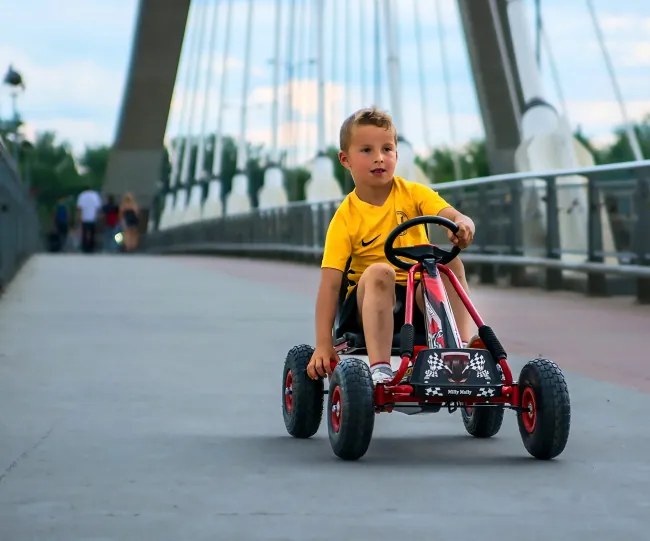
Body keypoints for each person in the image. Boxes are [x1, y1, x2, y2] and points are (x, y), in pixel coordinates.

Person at [307, 107, 476, 385]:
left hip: (418, 296)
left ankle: (462, 347)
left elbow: (451, 214)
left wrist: (462, 223)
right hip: (368, 302)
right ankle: (381, 368)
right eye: (367, 150)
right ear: (345, 159)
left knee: (448, 265)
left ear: (396, 154)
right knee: (379, 272)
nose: (379, 158)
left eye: (387, 149)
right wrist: (323, 344)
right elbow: (329, 286)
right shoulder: (345, 217)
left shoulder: (414, 194)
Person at [76, 185, 103, 253]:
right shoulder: (95, 195)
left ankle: (85, 247)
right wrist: (98, 216)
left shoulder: (82, 195)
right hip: (93, 217)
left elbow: (79, 208)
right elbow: (98, 208)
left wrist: (79, 217)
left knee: (84, 233)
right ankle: (91, 247)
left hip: (84, 218)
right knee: (92, 233)